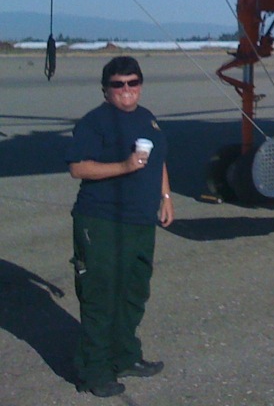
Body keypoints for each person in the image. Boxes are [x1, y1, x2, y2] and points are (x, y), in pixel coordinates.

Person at [66, 56, 174, 398]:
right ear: (106, 89)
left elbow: (158, 160)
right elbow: (78, 168)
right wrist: (125, 166)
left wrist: (166, 195)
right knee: (100, 296)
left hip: (141, 222)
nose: (126, 90)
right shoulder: (94, 123)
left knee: (133, 292)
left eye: (133, 82)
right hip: (102, 221)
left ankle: (126, 356)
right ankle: (94, 372)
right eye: (118, 84)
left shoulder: (148, 119)